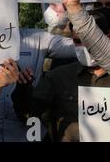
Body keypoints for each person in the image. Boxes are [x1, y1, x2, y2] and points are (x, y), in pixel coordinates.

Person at [0, 0, 101, 142]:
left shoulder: (39, 39)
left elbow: (90, 45)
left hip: (28, 136)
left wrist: (90, 2)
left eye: (8, 7)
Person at [12, 8, 110, 141]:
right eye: (77, 41)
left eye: (88, 41)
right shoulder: (58, 77)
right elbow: (29, 114)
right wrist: (23, 88)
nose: (83, 47)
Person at [62, 0, 110, 72]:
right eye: (77, 41)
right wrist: (73, 6)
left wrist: (74, 6)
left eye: (108, 5)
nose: (86, 46)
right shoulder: (58, 77)